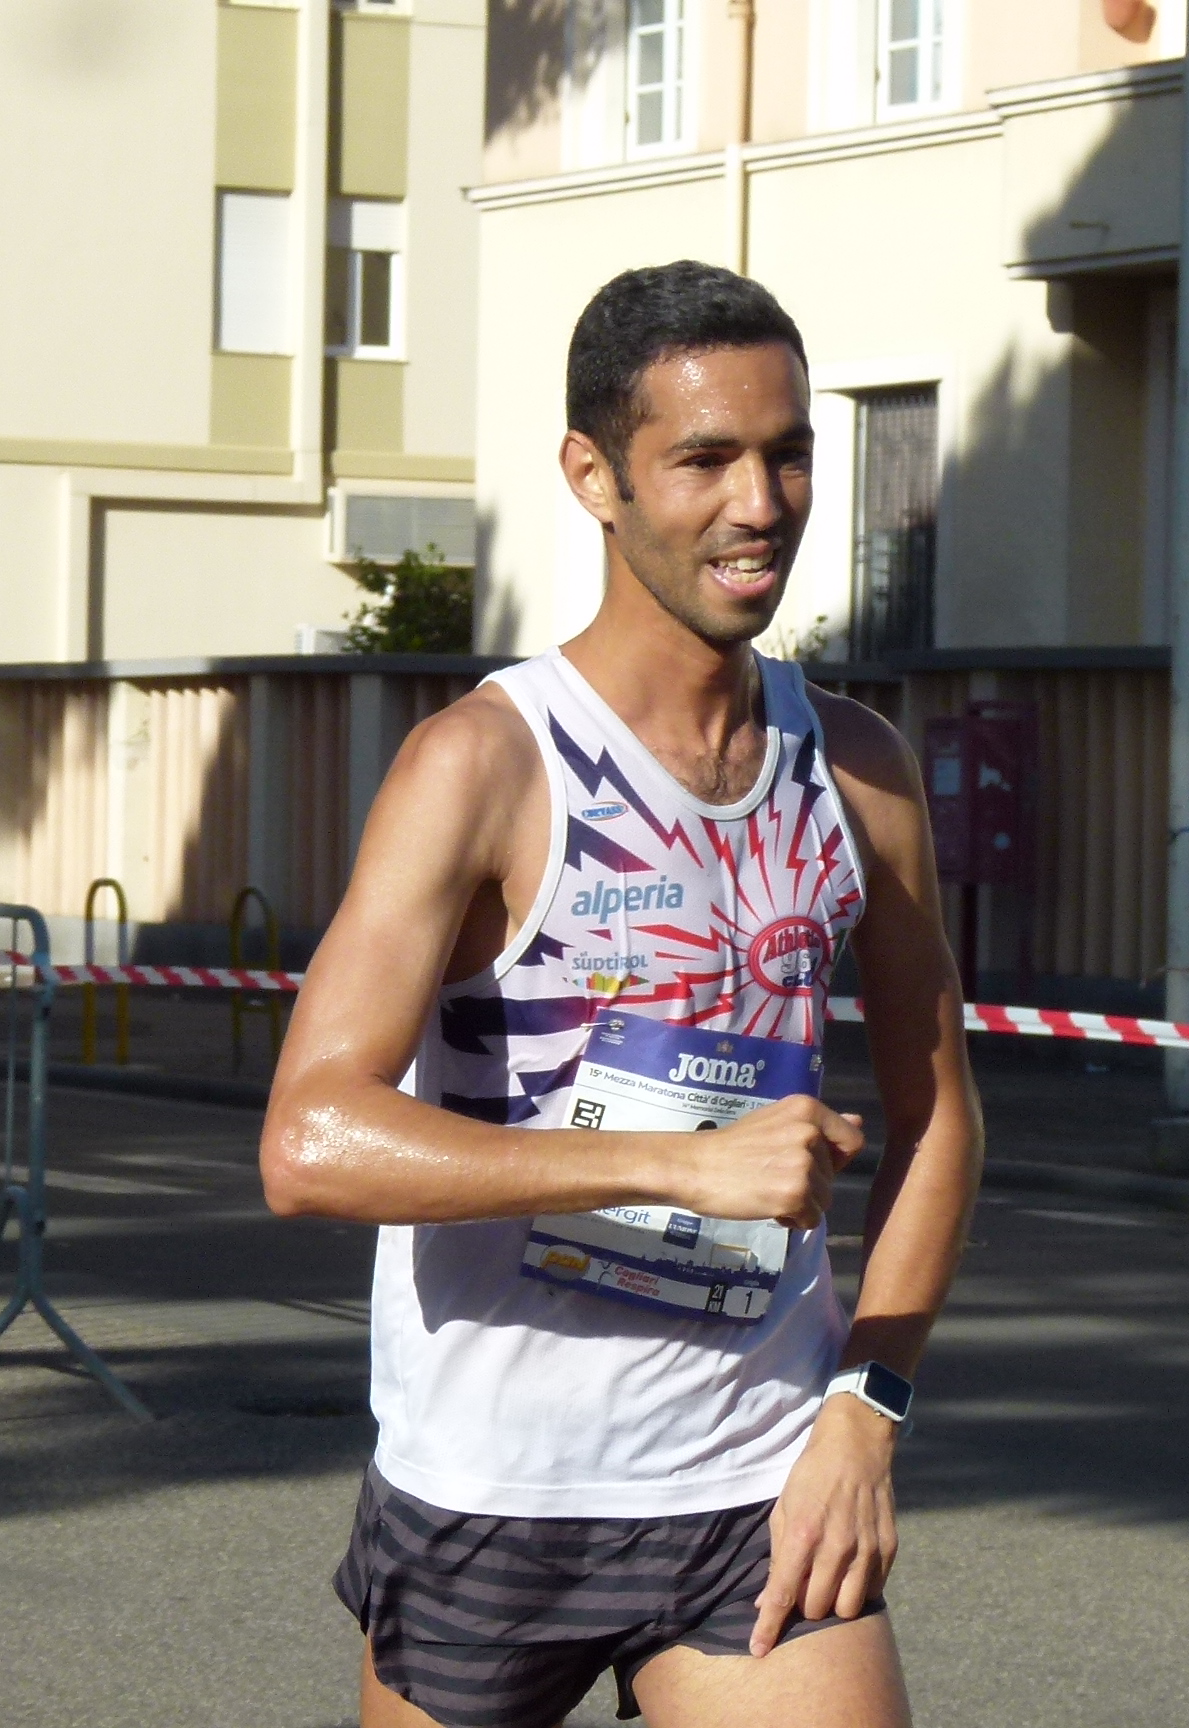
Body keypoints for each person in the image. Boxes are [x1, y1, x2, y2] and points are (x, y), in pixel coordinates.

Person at [260, 261, 984, 1728]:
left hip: (753, 1477)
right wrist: (676, 1166)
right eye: (705, 459)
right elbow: (311, 1143)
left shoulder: (858, 769)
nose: (760, 504)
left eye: (789, 455)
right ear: (595, 475)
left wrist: (868, 1408)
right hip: (492, 1490)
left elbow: (942, 1119)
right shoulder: (485, 764)